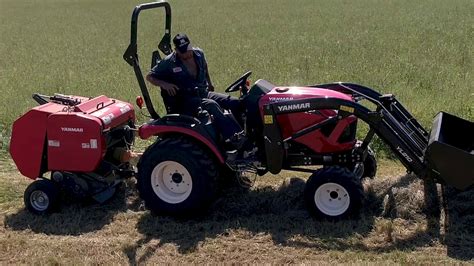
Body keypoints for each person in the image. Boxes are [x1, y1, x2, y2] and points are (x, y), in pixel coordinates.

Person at [146, 33, 246, 150]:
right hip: (185, 100)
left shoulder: (199, 54)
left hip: (203, 93)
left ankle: (244, 133)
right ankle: (233, 139)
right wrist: (165, 84)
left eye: (187, 50)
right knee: (211, 105)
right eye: (182, 51)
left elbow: (205, 66)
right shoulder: (169, 62)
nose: (187, 54)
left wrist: (209, 82)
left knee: (234, 102)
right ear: (176, 50)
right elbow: (150, 76)